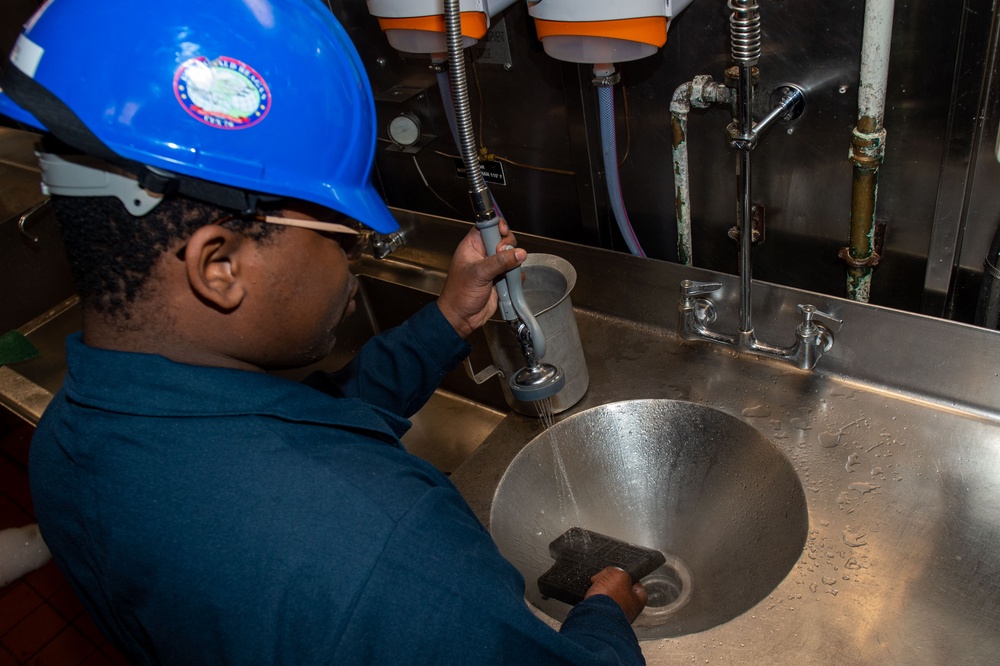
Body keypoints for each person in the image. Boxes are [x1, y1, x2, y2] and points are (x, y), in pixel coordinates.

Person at [0, 0, 650, 663]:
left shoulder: (64, 446)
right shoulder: (385, 555)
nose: (356, 264)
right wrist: (603, 619)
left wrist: (449, 318)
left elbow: (314, 423)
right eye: (345, 236)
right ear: (219, 266)